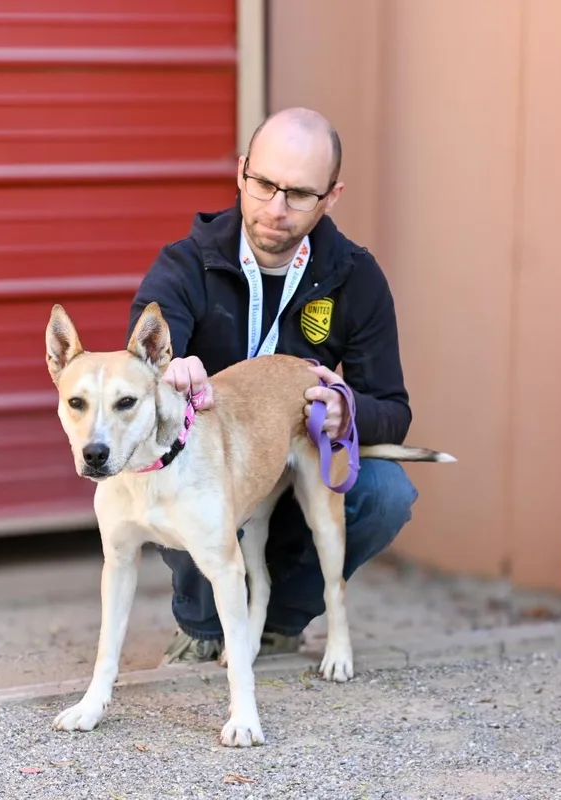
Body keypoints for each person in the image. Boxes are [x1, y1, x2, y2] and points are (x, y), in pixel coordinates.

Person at [125, 107, 418, 664]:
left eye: (300, 194)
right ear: (241, 171)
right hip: (212, 471)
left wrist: (346, 409)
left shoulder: (358, 278)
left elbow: (394, 408)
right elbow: (143, 360)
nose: (275, 209)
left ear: (332, 197)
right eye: (263, 184)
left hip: (300, 453)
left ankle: (282, 621)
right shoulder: (185, 265)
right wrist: (170, 370)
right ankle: (202, 622)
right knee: (179, 462)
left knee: (386, 493)